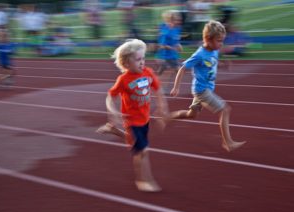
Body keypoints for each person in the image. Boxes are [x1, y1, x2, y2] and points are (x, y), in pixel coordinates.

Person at [96, 39, 168, 192]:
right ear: (127, 63)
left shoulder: (148, 72)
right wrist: (113, 111)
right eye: (138, 59)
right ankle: (142, 180)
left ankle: (113, 130)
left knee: (136, 143)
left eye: (143, 58)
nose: (142, 62)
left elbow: (158, 89)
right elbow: (110, 96)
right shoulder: (123, 80)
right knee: (142, 151)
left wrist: (162, 107)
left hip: (145, 118)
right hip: (131, 120)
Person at [168, 20, 246, 152]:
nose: (221, 44)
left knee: (191, 115)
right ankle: (228, 143)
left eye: (222, 41)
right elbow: (182, 68)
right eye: (219, 41)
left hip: (205, 89)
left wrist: (223, 65)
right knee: (225, 110)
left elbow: (212, 63)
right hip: (202, 91)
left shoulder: (213, 50)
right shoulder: (199, 54)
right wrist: (176, 87)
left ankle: (169, 117)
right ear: (208, 39)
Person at [155, 10, 182, 76]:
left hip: (173, 55)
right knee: (179, 71)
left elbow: (176, 40)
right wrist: (172, 48)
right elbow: (162, 45)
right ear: (171, 20)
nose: (178, 22)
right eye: (176, 20)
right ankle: (153, 81)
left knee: (162, 70)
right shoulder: (165, 31)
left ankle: (153, 80)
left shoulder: (177, 29)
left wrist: (179, 45)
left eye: (178, 20)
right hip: (164, 55)